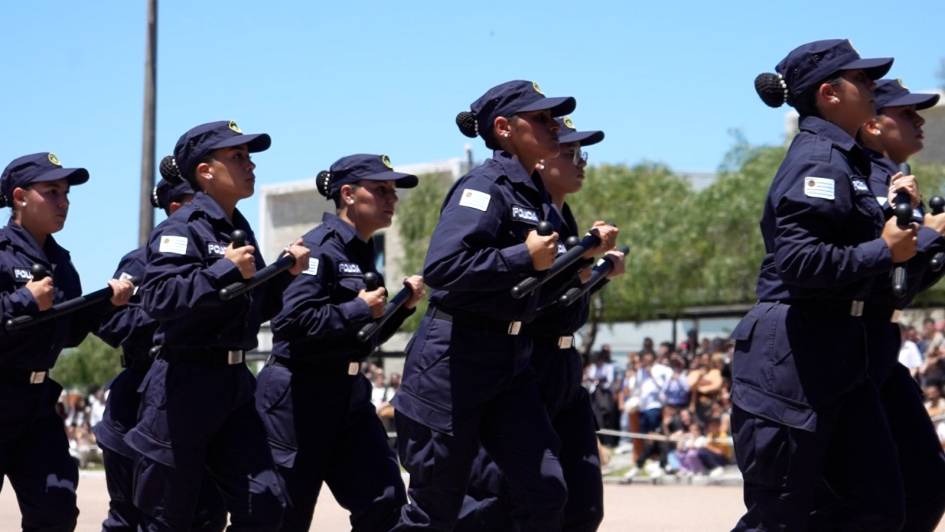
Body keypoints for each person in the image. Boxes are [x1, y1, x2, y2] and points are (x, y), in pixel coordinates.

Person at [731, 39, 916, 531]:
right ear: (830, 93)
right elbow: (797, 261)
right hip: (794, 354)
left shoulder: (848, 159)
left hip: (839, 350)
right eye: (862, 79)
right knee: (781, 515)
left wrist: (896, 218)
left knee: (877, 506)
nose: (873, 86)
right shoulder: (818, 159)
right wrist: (885, 249)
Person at [391, 80, 573, 531]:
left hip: (510, 363)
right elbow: (443, 267)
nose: (555, 128)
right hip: (454, 359)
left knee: (546, 489)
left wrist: (577, 269)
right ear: (503, 128)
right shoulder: (483, 185)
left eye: (554, 119)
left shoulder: (536, 198)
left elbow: (527, 288)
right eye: (541, 119)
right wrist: (523, 256)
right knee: (435, 509)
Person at [124, 121, 310, 531]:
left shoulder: (236, 230)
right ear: (205, 171)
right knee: (170, 519)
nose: (251, 165)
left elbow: (250, 308)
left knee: (266, 507)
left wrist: (283, 276)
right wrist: (224, 269)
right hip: (184, 385)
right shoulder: (179, 228)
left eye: (250, 157)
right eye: (238, 157)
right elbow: (159, 298)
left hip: (234, 385)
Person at [456, 116, 625, 531]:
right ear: (544, 160)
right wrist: (584, 264)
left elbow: (557, 301)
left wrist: (593, 273)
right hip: (529, 363)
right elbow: (515, 297)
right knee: (501, 498)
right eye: (569, 152)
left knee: (582, 507)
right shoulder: (523, 217)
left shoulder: (561, 220)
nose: (579, 161)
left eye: (580, 153)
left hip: (564, 369)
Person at [255, 153, 423, 531]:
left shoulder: (363, 254)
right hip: (299, 397)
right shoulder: (319, 248)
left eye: (393, 191)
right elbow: (291, 322)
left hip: (348, 396)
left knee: (386, 502)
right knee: (284, 518)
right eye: (381, 190)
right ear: (348, 194)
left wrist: (400, 308)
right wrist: (359, 309)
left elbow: (363, 337)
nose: (391, 198)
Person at [0, 152, 134, 530]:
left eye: (67, 193)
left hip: (37, 405)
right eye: (52, 192)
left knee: (56, 513)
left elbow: (70, 332)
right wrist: (24, 300)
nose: (64, 202)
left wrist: (105, 306)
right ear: (20, 196)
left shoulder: (61, 262)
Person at [835, 76, 945, 531]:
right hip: (845, 344)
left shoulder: (895, 181)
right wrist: (930, 238)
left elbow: (901, 285)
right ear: (874, 125)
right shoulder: (868, 180)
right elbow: (867, 271)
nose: (919, 121)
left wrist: (933, 245)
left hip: (877, 341)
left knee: (922, 485)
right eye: (906, 113)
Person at [95, 163, 226, 532]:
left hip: (188, 398)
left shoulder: (217, 258)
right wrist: (170, 311)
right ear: (176, 210)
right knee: (130, 515)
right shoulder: (140, 261)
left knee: (206, 514)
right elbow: (109, 322)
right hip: (136, 399)